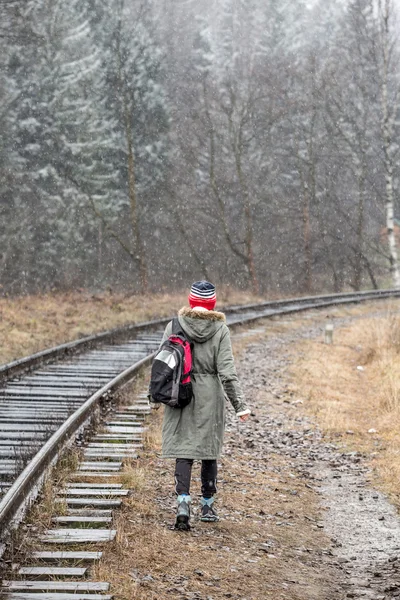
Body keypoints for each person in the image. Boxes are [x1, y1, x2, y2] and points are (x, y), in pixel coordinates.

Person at [149, 281, 250, 530]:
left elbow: (162, 364)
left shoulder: (174, 325)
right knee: (208, 450)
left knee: (184, 450)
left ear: (191, 300)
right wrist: (240, 406)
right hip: (209, 396)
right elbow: (227, 373)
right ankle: (207, 505)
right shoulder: (220, 330)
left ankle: (183, 503)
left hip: (179, 391)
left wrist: (154, 395)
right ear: (213, 303)